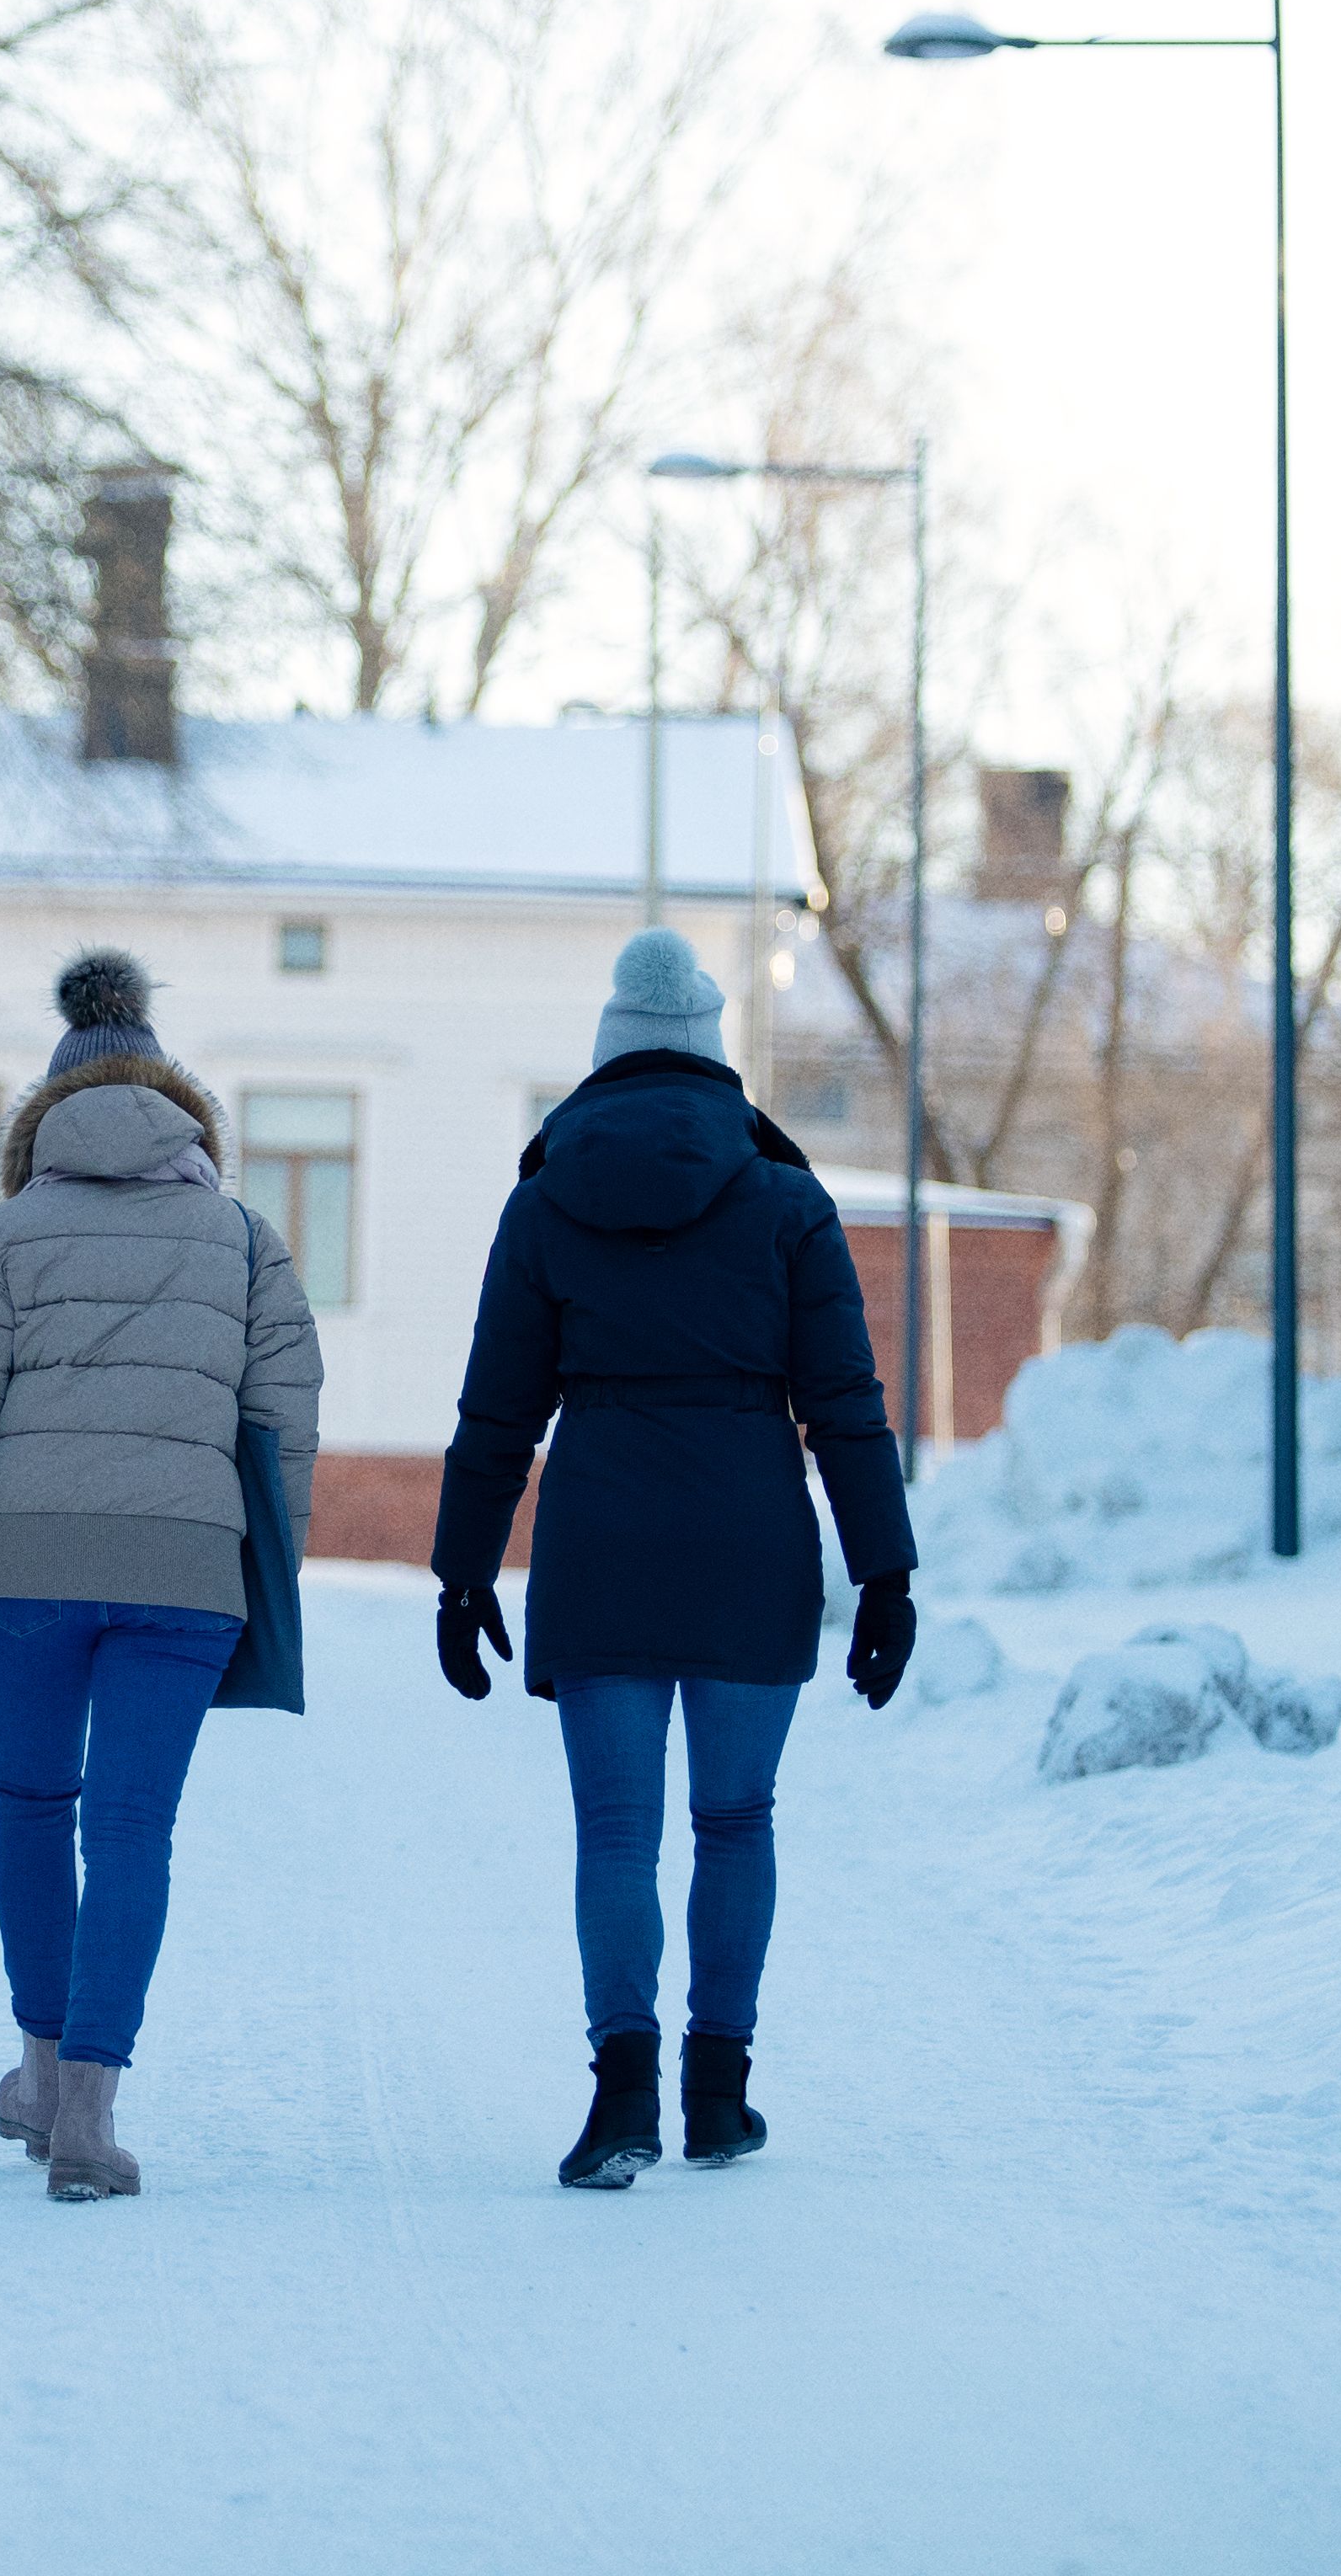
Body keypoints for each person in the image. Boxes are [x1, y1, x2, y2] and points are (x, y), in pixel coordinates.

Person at [429, 925, 920, 2189]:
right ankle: (719, 2094)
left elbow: (497, 1414)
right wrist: (886, 1572)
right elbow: (847, 1405)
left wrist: (463, 1570)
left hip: (601, 1540)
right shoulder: (788, 1201)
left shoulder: (544, 1202)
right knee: (736, 1820)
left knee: (614, 1832)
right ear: (713, 1057)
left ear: (608, 1059)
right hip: (752, 1535)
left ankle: (620, 2099)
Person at [0, 950, 322, 2201]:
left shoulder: (4, 1235)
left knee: (33, 1806)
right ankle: (90, 2121)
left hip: (29, 1571)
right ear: (184, 1118)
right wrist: (273, 1575)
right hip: (185, 1574)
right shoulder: (246, 1239)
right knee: (133, 1830)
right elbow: (284, 1429)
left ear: (39, 1126)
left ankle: (41, 2077)